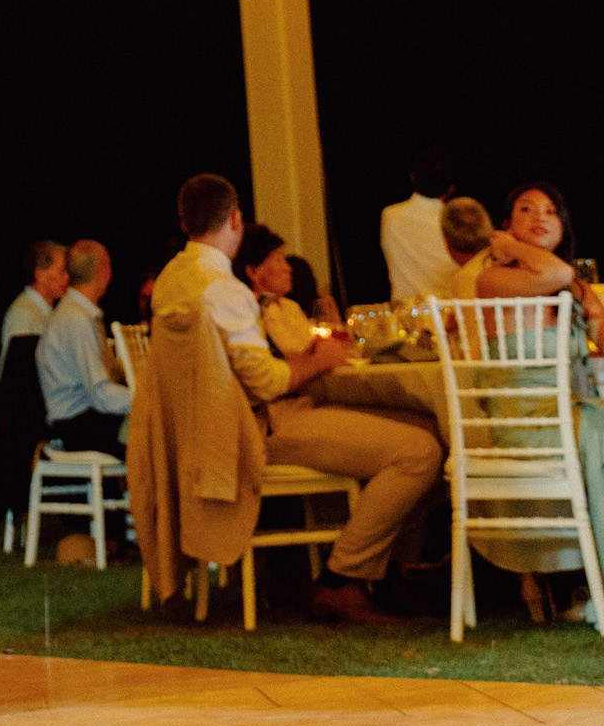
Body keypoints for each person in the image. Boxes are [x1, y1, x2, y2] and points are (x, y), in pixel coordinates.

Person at [151, 173, 443, 623]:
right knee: (420, 451)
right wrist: (323, 359)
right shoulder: (223, 289)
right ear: (235, 220)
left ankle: (385, 572)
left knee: (427, 428)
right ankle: (340, 581)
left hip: (217, 427)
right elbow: (266, 382)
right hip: (254, 429)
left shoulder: (172, 280)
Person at [446, 183, 604, 328]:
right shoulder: (492, 278)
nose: (540, 217)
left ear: (563, 227)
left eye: (551, 211)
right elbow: (561, 273)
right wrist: (509, 246)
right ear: (508, 225)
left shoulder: (577, 289)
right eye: (526, 209)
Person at [35, 239, 132, 455]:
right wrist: (147, 398)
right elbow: (101, 395)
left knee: (154, 430)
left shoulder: (77, 313)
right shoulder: (77, 319)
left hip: (80, 419)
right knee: (158, 439)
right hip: (76, 426)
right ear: (104, 271)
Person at [381, 144, 458, 306]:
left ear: (412, 177)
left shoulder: (390, 216)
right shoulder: (457, 221)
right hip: (448, 315)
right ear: (452, 188)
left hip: (404, 316)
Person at [237, 225, 318, 358]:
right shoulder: (252, 310)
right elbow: (292, 355)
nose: (288, 268)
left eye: (285, 259)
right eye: (279, 259)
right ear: (253, 272)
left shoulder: (291, 306)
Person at [0, 241, 68, 370]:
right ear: (40, 275)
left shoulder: (48, 312)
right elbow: (18, 375)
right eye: (62, 271)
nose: (67, 278)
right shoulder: (23, 314)